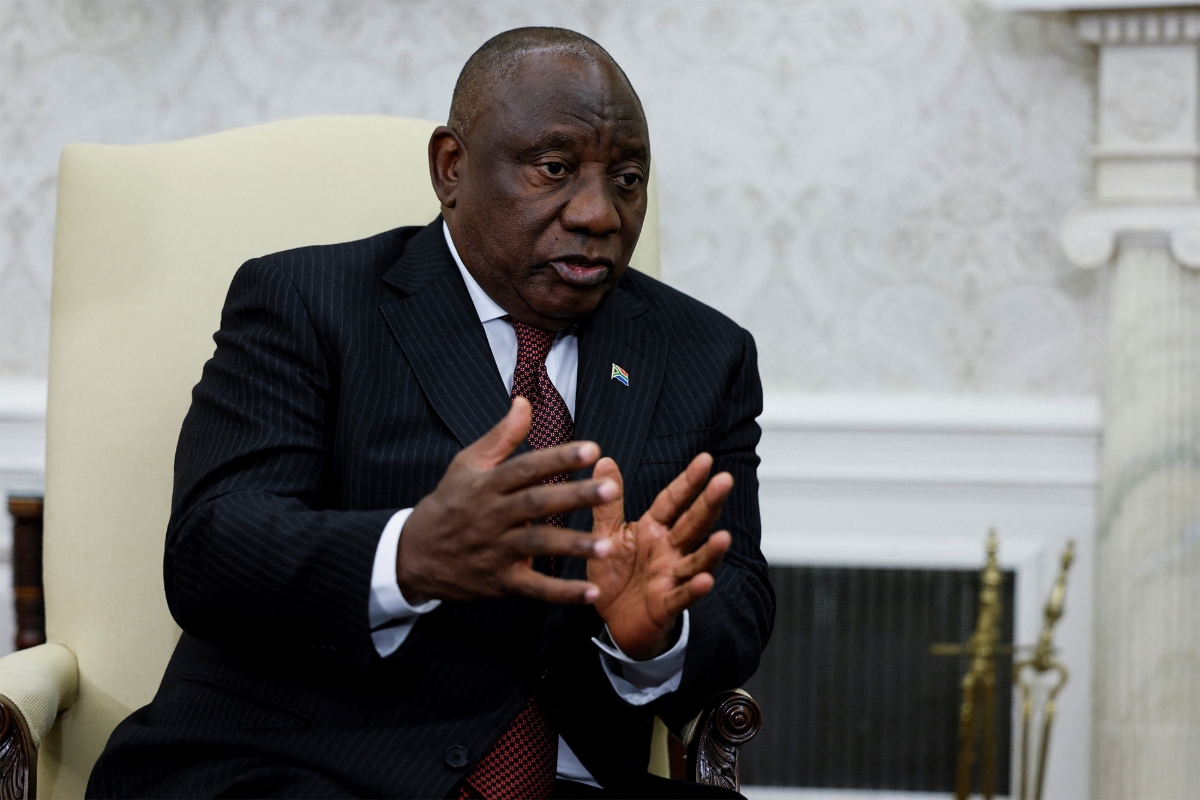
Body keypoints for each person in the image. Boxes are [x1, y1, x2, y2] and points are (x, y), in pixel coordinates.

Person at [87, 26, 774, 800]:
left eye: (627, 178)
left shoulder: (704, 353)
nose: (598, 214)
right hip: (301, 769)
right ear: (452, 167)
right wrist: (406, 553)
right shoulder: (310, 303)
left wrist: (652, 637)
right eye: (555, 169)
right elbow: (213, 549)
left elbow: (741, 595)